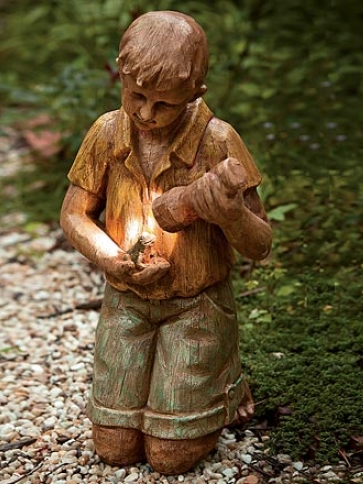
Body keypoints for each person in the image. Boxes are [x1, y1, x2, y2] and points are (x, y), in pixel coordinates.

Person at [60, 10, 272, 475]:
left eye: (165, 104)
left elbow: (260, 244)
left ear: (195, 94)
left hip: (196, 307)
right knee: (114, 449)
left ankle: (224, 379)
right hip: (127, 301)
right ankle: (212, 385)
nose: (146, 113)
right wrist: (111, 259)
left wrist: (231, 215)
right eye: (136, 95)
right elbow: (73, 214)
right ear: (121, 72)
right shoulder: (106, 132)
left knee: (170, 458)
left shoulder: (219, 143)